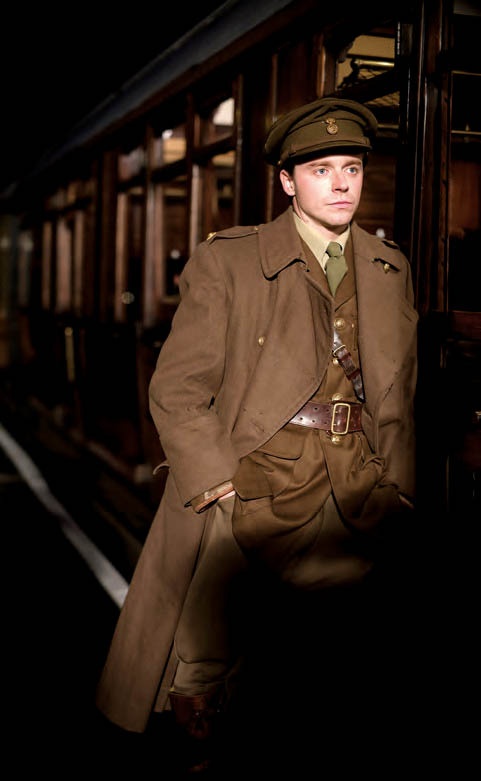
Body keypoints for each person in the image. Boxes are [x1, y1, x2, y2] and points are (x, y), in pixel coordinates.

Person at [95, 97, 418, 773]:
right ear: (287, 181)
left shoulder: (388, 268)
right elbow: (177, 387)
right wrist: (218, 484)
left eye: (352, 168)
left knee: (338, 682)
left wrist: (401, 487)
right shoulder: (232, 261)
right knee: (213, 679)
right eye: (321, 170)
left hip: (360, 493)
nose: (341, 184)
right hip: (258, 486)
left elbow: (399, 397)